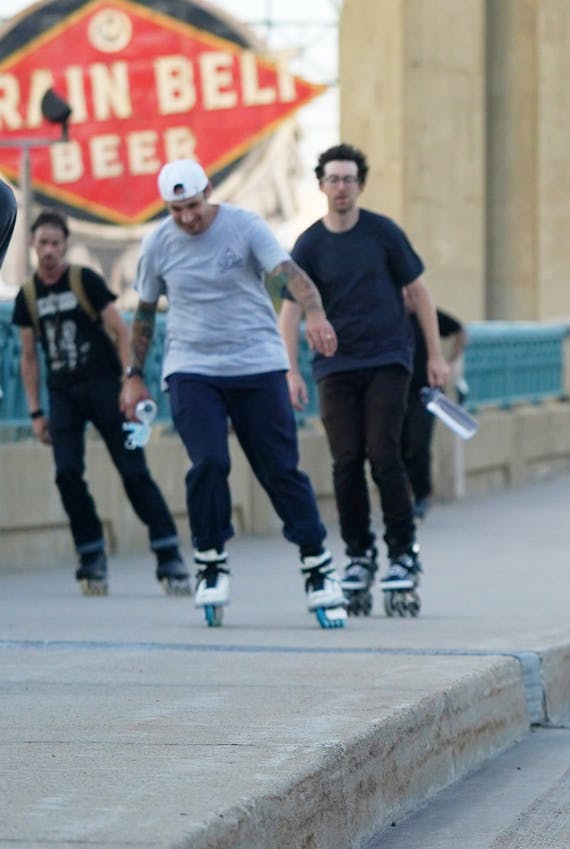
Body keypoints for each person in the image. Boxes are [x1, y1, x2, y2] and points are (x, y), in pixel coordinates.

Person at [120, 159, 349, 628]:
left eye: (194, 205)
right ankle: (209, 560)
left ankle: (317, 567)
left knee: (279, 468)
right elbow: (143, 313)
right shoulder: (158, 243)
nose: (187, 217)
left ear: (208, 191)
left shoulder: (244, 226)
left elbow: (289, 273)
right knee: (208, 462)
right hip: (192, 367)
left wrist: (316, 314)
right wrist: (133, 374)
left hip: (257, 362)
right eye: (176, 209)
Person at [278, 143, 449, 610]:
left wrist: (435, 356)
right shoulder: (309, 244)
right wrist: (290, 370)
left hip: (389, 358)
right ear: (320, 186)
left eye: (349, 179)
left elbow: (420, 294)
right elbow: (289, 312)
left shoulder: (383, 234)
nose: (341, 188)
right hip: (335, 365)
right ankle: (358, 554)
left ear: (360, 185)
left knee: (384, 454)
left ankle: (402, 553)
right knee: (345, 460)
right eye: (332, 179)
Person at [12, 209, 186, 596]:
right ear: (33, 245)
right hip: (63, 395)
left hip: (105, 388)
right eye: (43, 243)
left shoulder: (83, 280)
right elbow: (27, 356)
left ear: (66, 245)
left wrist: (130, 381)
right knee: (67, 473)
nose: (49, 251)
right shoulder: (28, 295)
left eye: (56, 243)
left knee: (133, 472)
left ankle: (168, 553)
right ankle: (91, 554)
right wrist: (36, 413)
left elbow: (121, 329)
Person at [400, 299, 467, 519]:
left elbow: (459, 330)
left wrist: (450, 361)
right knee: (397, 447)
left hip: (425, 392)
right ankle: (401, 497)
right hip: (394, 390)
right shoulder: (389, 314)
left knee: (418, 443)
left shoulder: (427, 314)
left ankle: (422, 495)